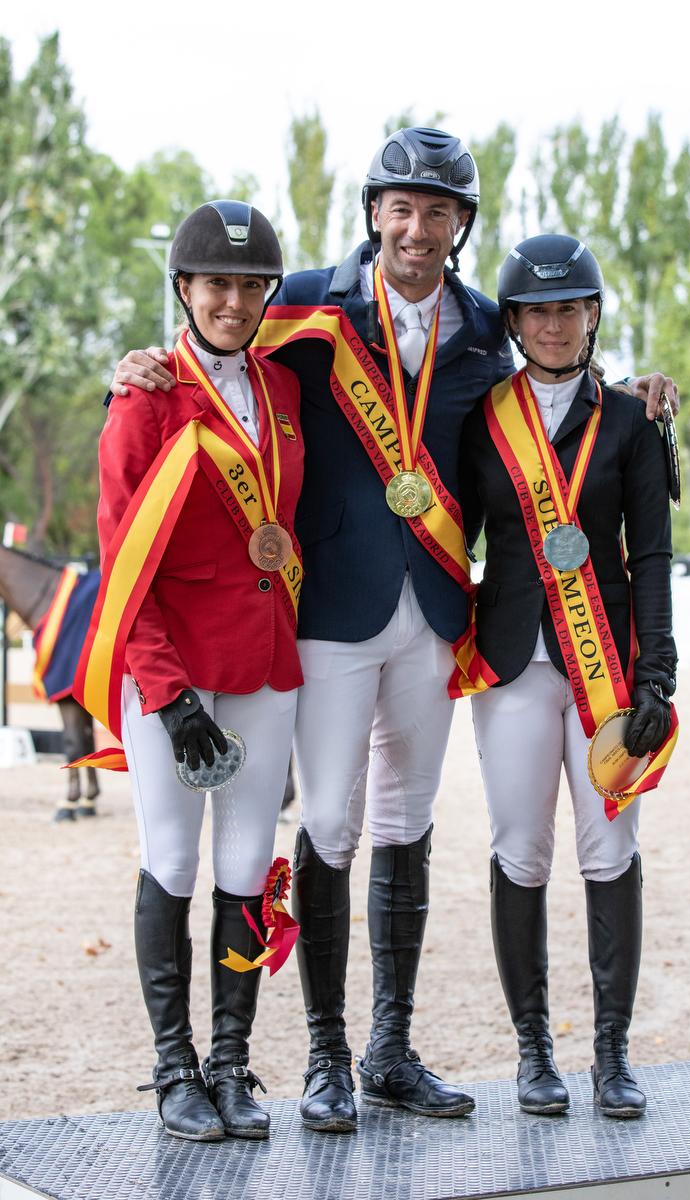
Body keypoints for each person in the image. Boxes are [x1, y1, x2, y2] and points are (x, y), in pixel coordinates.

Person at [109, 127, 679, 1135]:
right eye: (400, 208)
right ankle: (324, 1054)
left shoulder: (476, 328)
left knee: (406, 823)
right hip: (326, 617)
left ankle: (388, 1049)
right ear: (374, 212)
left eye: (438, 212)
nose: (416, 229)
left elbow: (554, 375)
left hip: (431, 614)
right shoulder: (302, 308)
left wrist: (631, 386)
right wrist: (145, 364)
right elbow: (216, 353)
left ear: (459, 228)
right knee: (326, 821)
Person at [91, 201, 304, 1141]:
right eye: (217, 283)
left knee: (247, 866)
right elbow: (120, 558)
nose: (234, 299)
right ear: (184, 289)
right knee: (173, 862)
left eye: (251, 285)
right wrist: (168, 696)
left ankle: (229, 1063)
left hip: (264, 663)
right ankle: (174, 1069)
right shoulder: (145, 397)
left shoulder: (284, 392)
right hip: (173, 673)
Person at [460, 234, 678, 1120]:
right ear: (513, 321)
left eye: (570, 308)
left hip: (607, 671)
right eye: (538, 311)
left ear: (593, 317)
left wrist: (656, 671)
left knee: (609, 850)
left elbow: (653, 554)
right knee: (521, 849)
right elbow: (454, 537)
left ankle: (612, 1056)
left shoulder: (629, 421)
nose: (554, 325)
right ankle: (534, 1052)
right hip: (513, 662)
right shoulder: (484, 420)